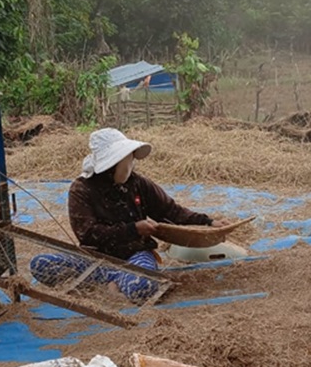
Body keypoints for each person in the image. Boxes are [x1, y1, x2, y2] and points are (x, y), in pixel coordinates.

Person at [30, 128, 228, 303]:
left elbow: (170, 211)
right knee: (41, 264)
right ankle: (112, 279)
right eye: (128, 159)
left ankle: (117, 282)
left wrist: (208, 221)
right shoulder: (81, 189)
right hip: (95, 257)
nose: (132, 163)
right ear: (112, 163)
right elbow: (88, 234)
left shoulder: (138, 184)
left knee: (142, 287)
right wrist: (133, 229)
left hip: (135, 255)